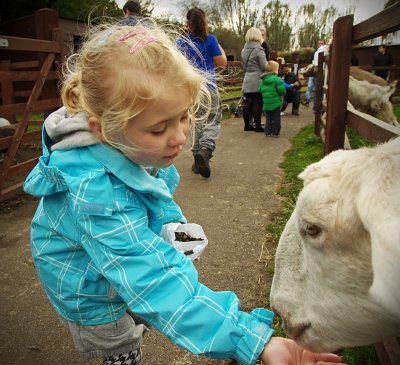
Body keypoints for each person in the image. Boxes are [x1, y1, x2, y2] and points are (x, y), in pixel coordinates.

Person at [22, 23, 345, 365]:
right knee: (123, 345)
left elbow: (148, 198)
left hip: (108, 262)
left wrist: (167, 227)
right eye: (159, 128)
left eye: (184, 116)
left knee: (140, 299)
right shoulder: (97, 195)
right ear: (103, 128)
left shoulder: (132, 146)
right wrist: (251, 340)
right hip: (87, 291)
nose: (178, 137)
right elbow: (155, 281)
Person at [177, 7, 227, 178]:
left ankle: (197, 160)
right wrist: (217, 45)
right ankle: (205, 151)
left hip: (190, 90)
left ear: (188, 23)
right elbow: (222, 63)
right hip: (209, 88)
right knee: (212, 121)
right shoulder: (211, 40)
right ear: (204, 21)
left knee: (196, 123)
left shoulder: (181, 42)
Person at [241, 27, 267, 132]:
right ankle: (258, 126)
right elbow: (264, 66)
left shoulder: (244, 50)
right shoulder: (259, 51)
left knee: (247, 103)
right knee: (257, 102)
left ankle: (247, 125)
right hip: (257, 79)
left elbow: (243, 67)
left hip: (247, 78)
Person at [259, 60, 286, 137]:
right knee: (276, 118)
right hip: (276, 103)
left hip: (266, 103)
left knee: (268, 118)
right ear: (275, 70)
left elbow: (260, 90)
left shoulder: (263, 80)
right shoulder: (277, 79)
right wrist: (283, 93)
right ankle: (275, 132)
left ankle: (268, 132)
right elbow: (282, 90)